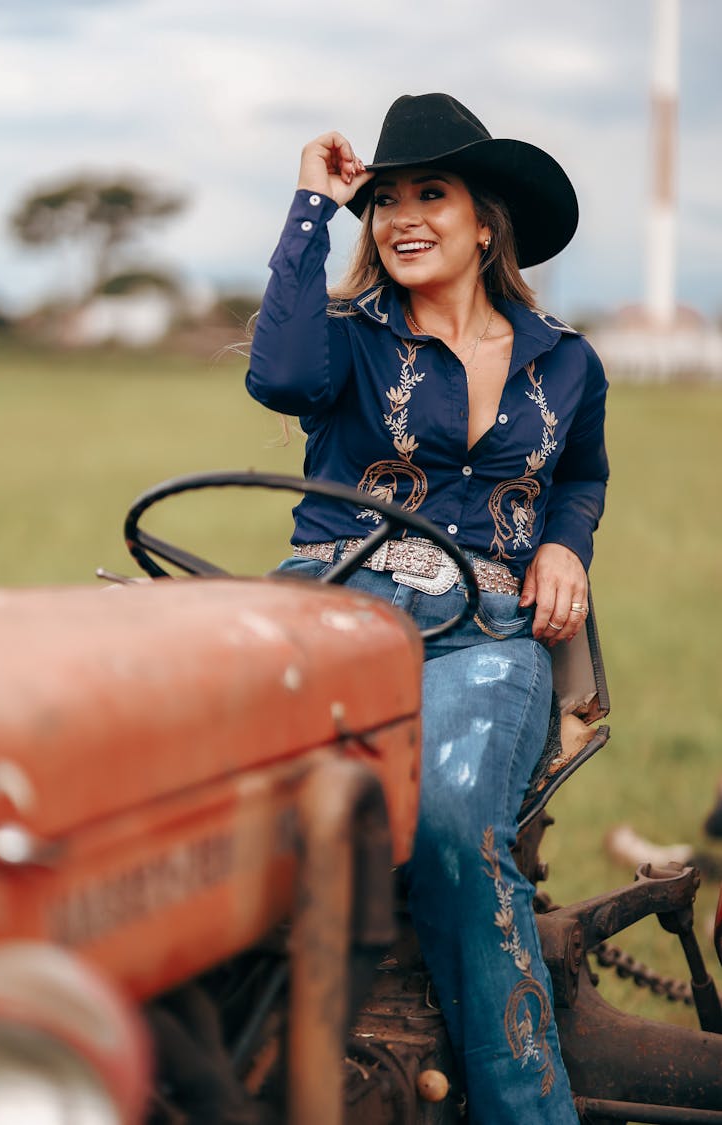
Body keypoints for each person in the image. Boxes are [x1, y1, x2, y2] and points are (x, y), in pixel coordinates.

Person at [246, 92, 608, 1123]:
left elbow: (580, 477)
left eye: (432, 193)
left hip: (489, 630)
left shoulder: (567, 360)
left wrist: (564, 546)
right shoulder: (351, 342)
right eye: (387, 198)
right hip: (332, 609)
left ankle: (526, 1108)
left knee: (454, 822)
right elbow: (276, 377)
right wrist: (314, 205)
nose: (403, 214)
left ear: (484, 219)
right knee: (197, 790)